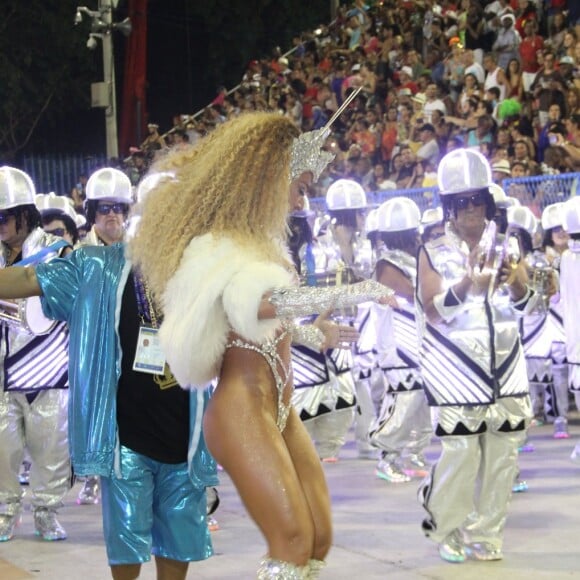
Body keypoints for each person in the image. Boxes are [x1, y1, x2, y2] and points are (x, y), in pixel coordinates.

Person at [130, 112, 395, 578]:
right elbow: (257, 301)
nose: (304, 196)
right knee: (291, 540)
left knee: (316, 536)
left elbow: (269, 325)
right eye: (301, 183)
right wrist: (350, 291)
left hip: (279, 407)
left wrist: (316, 333)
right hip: (240, 410)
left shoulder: (265, 244)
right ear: (271, 174)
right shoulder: (217, 246)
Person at [0, 197, 218, 578]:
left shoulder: (203, 276)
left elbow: (256, 313)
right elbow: (29, 279)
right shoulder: (97, 266)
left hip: (186, 437)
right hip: (125, 440)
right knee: (126, 545)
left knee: (178, 542)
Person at [416, 149, 535, 563]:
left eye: (477, 199)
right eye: (461, 201)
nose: (470, 209)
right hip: (455, 367)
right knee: (462, 453)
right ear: (448, 206)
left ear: (488, 199)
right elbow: (430, 309)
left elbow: (526, 304)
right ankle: (447, 525)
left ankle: (488, 531)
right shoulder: (431, 248)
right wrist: (468, 283)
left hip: (506, 365)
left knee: (504, 454)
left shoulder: (510, 241)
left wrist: (516, 282)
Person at [0, 167, 73, 543]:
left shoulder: (57, 250)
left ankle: (46, 511)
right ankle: (5, 512)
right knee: (2, 445)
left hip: (45, 365)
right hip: (1, 371)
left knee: (50, 445)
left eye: (3, 217)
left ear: (25, 213)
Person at [368, 197, 432, 484]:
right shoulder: (387, 264)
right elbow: (413, 292)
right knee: (404, 399)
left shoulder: (417, 257)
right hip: (398, 344)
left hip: (419, 342)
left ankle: (415, 453)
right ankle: (387, 457)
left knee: (422, 401)